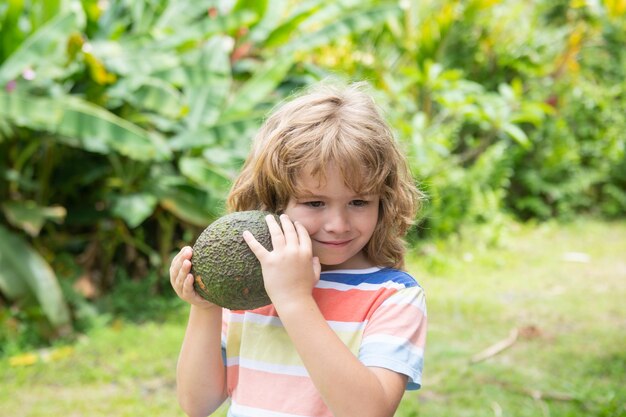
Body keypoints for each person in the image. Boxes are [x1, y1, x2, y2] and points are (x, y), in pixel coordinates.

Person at [169, 81, 427, 417]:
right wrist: (205, 308)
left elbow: (368, 412)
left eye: (359, 202)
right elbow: (197, 405)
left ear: (384, 201)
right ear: (275, 203)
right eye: (315, 202)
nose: (338, 223)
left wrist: (294, 299)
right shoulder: (249, 286)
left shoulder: (392, 296)